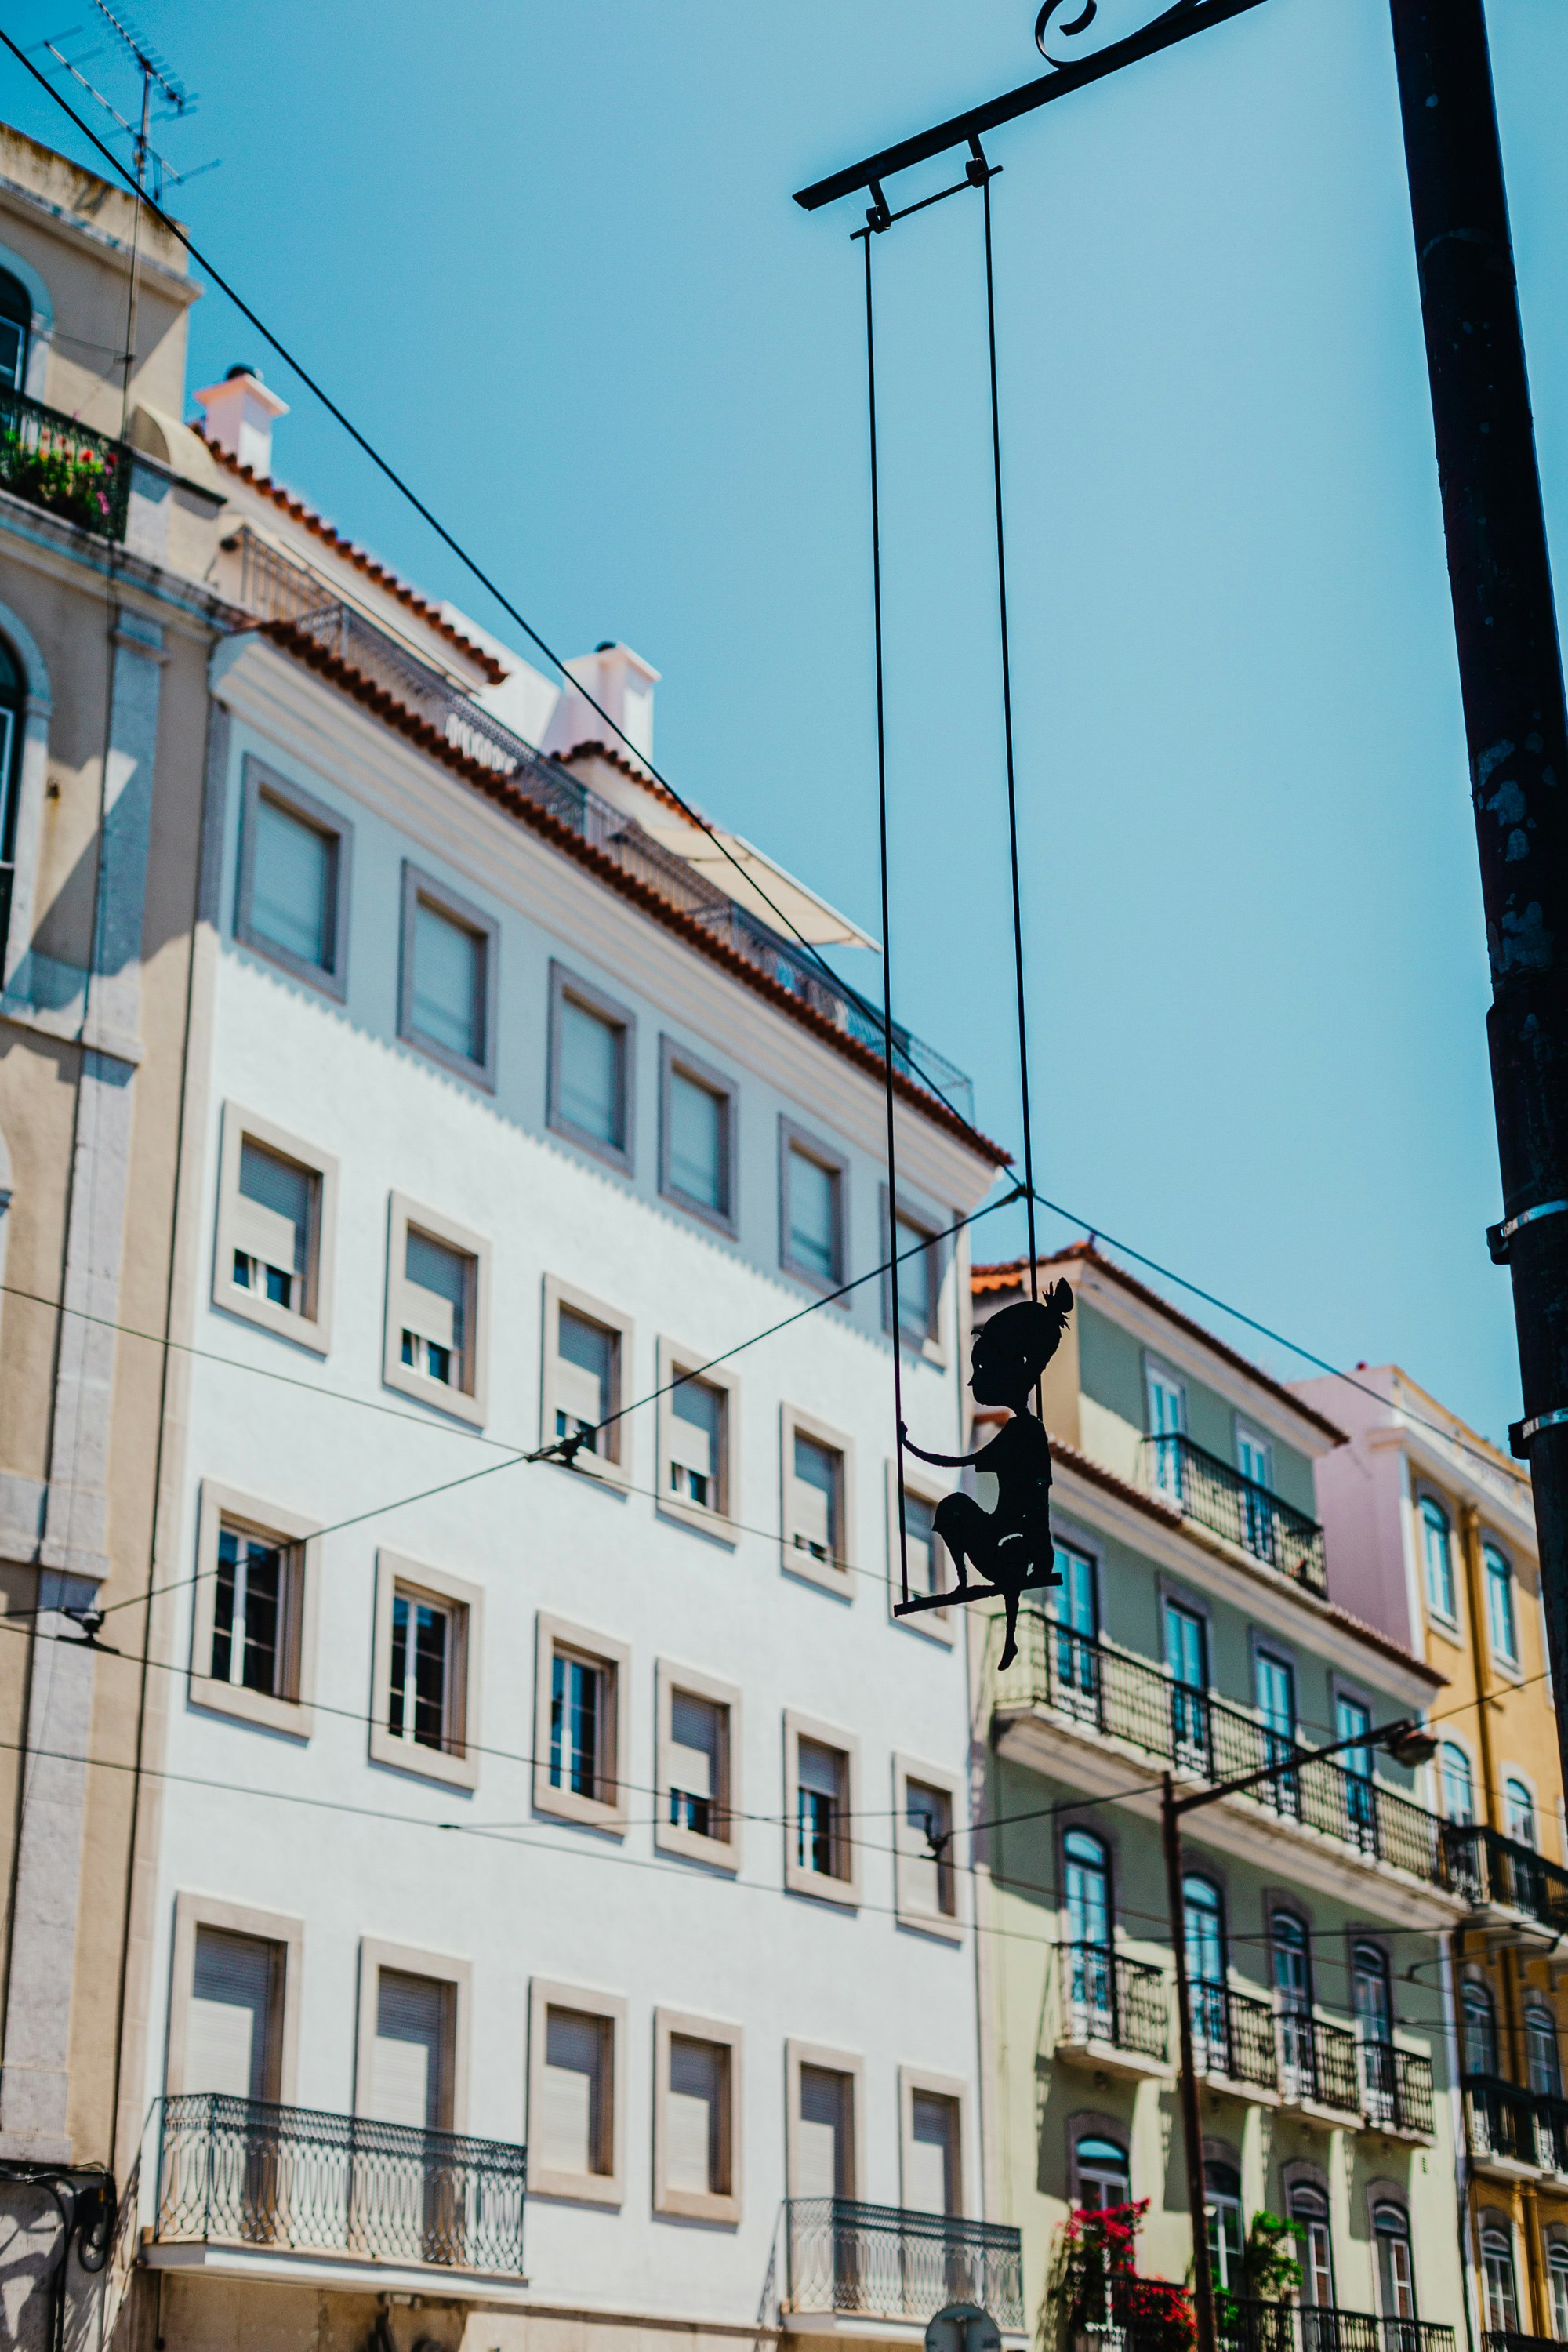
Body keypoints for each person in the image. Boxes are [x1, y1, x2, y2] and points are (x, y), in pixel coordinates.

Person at [902, 1280, 1073, 1669]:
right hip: (997, 1532)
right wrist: (909, 1449)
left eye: (982, 1367)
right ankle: (961, 1580)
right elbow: (959, 1463)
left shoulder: (1026, 1433)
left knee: (1012, 1548)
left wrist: (1043, 1554)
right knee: (952, 1507)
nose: (974, 1379)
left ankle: (1010, 1636)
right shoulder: (1013, 1431)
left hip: (1017, 1543)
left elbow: (1039, 1498)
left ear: (1017, 1367)